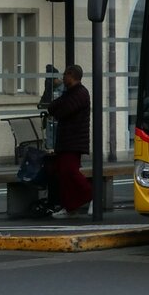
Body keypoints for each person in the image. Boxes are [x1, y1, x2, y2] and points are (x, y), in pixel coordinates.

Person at [46, 64, 93, 218]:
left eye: (65, 74)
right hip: (66, 140)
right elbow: (52, 107)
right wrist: (57, 107)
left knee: (70, 171)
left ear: (72, 75)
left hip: (74, 140)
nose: (62, 78)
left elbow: (62, 111)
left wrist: (57, 108)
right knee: (63, 173)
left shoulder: (80, 93)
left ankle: (92, 196)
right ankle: (70, 207)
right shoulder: (70, 92)